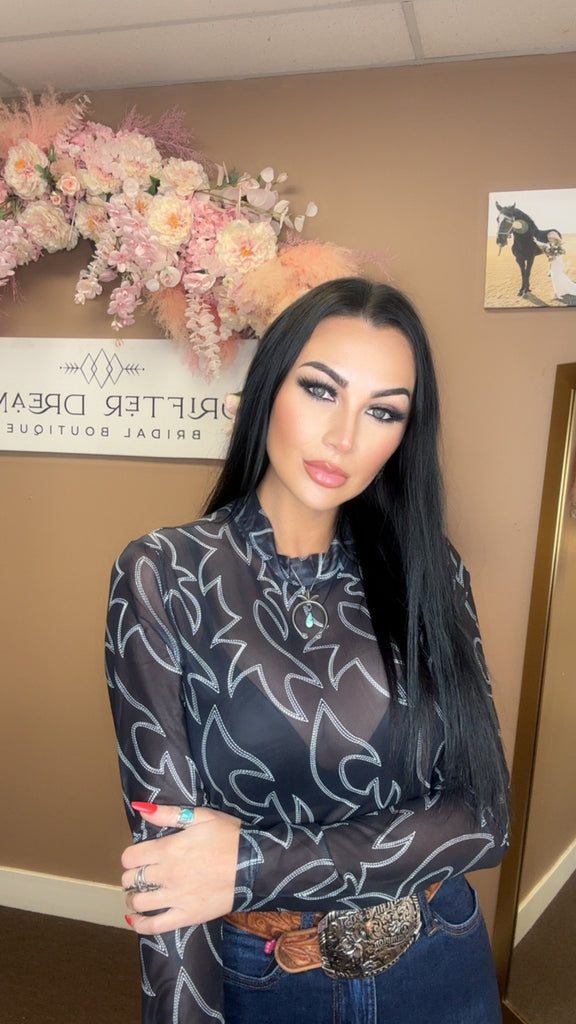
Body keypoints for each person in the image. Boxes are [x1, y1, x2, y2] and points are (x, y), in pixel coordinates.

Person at [106, 277, 509, 1024]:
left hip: (440, 958)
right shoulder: (165, 574)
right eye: (321, 390)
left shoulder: (430, 570)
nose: (344, 438)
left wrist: (249, 863)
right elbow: (171, 874)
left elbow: (485, 819)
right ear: (270, 386)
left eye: (383, 410)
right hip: (265, 980)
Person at [534, 230, 576, 302]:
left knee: (556, 278)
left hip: (557, 264)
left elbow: (557, 256)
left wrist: (551, 258)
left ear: (555, 238)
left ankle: (557, 293)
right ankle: (560, 291)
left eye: (550, 238)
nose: (549, 239)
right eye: (548, 238)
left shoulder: (557, 246)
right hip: (554, 264)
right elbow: (544, 245)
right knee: (557, 277)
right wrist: (536, 241)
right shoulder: (551, 245)